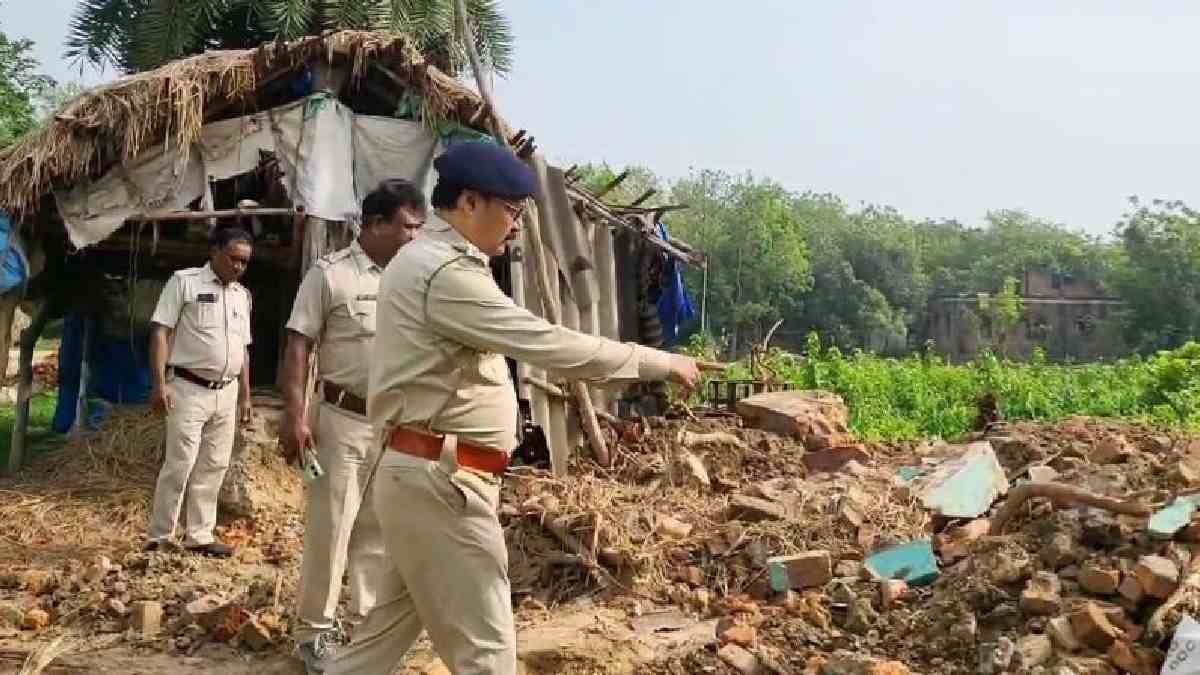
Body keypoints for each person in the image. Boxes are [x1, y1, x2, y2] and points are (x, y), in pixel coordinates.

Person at [327, 142, 701, 675]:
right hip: (443, 481)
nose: (518, 226)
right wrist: (656, 362)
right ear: (470, 203)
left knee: (374, 649)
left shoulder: (431, 262)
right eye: (512, 211)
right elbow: (547, 344)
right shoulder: (444, 274)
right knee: (488, 658)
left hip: (426, 475)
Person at [280, 179, 427, 671]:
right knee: (332, 530)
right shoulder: (330, 275)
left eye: (419, 227)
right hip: (340, 423)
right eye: (407, 226)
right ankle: (315, 634)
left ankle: (366, 631)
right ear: (377, 223)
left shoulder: (412, 279)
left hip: (393, 427)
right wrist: (295, 416)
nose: (415, 236)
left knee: (379, 532)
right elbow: (298, 345)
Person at [144, 227, 255, 557]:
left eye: (245, 262)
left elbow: (243, 349)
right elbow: (160, 332)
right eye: (233, 259)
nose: (238, 267)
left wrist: (246, 396)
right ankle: (160, 536)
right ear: (214, 252)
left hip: (227, 391)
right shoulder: (184, 282)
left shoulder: (242, 295)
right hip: (188, 388)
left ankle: (200, 536)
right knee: (179, 464)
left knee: (215, 464)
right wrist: (159, 383)